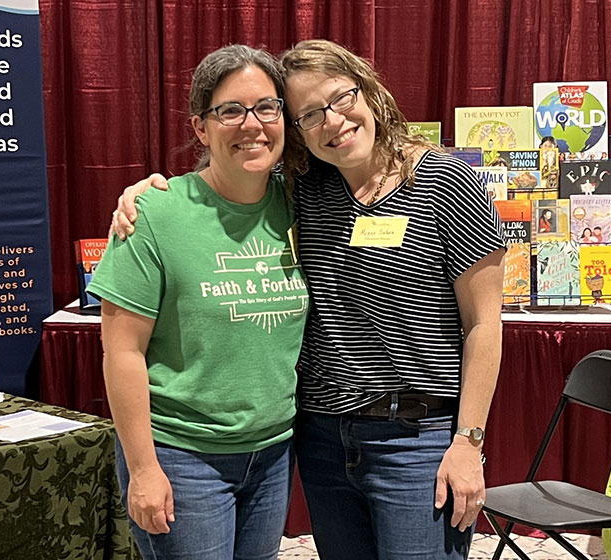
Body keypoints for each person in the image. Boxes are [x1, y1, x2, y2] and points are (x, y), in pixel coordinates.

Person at [112, 39, 505, 560]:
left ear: (369, 91)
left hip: (415, 439)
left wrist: (469, 442)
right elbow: (224, 178)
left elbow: (484, 324)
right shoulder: (306, 187)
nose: (333, 121)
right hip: (321, 439)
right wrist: (143, 192)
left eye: (341, 98)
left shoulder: (448, 182)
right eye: (310, 114)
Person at [88, 45, 307, 560]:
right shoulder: (155, 213)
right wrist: (143, 469)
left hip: (273, 452)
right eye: (230, 110)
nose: (252, 124)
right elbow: (122, 352)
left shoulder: (299, 202)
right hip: (182, 456)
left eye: (267, 107)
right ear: (201, 128)